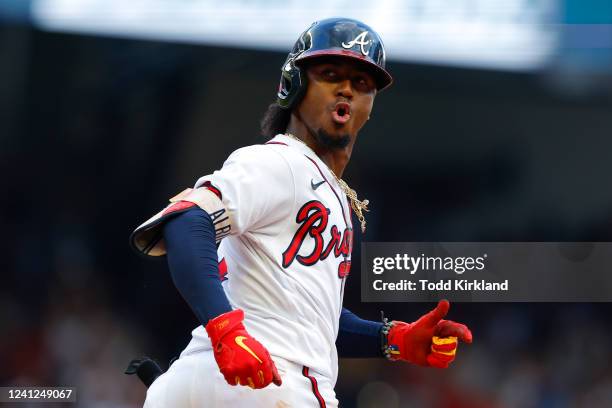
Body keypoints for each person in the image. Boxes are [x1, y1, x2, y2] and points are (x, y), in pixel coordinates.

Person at [130, 17, 473, 407]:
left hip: (200, 380)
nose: (347, 88)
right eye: (330, 74)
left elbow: (306, 316)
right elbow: (186, 219)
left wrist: (391, 339)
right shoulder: (283, 163)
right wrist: (225, 330)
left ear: (371, 105)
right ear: (293, 84)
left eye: (362, 83)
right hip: (272, 381)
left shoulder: (323, 187)